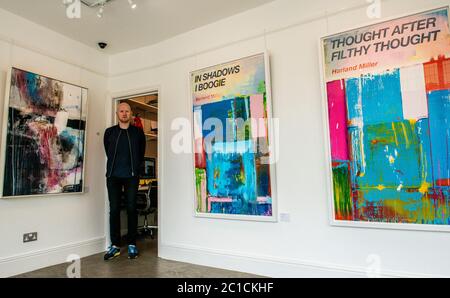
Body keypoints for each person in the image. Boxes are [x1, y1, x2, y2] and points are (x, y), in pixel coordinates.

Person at [103, 102, 146, 260]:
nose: (124, 113)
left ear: (131, 113)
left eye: (127, 111)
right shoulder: (110, 132)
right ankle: (115, 245)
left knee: (131, 209)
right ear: (117, 113)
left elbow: (141, 153)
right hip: (113, 176)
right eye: (121, 111)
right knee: (114, 210)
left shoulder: (138, 133)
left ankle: (132, 244)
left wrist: (134, 168)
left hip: (131, 177)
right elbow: (108, 151)